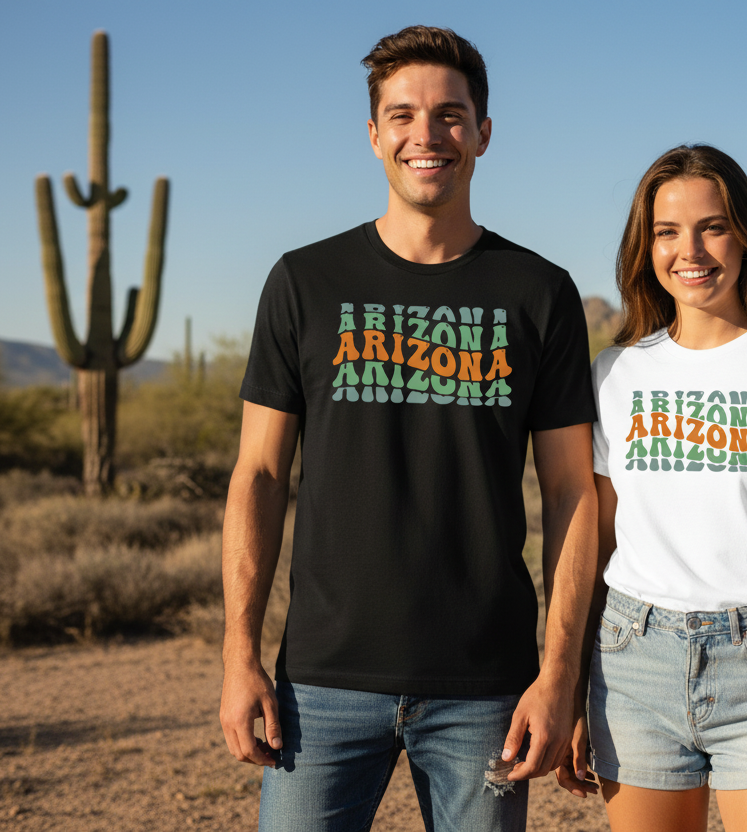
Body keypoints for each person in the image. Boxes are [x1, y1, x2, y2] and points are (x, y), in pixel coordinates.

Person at [218, 26, 599, 832]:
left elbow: (571, 490)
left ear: (484, 133)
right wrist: (237, 653)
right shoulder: (304, 282)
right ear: (374, 135)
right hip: (321, 682)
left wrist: (559, 673)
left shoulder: (539, 294)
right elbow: (257, 474)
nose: (427, 135)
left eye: (451, 115)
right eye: (403, 115)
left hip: (486, 688)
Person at [556, 145, 747, 831]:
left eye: (713, 227)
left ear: (746, 235)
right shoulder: (616, 372)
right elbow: (599, 541)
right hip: (632, 663)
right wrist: (574, 688)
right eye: (667, 232)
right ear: (647, 246)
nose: (689, 251)